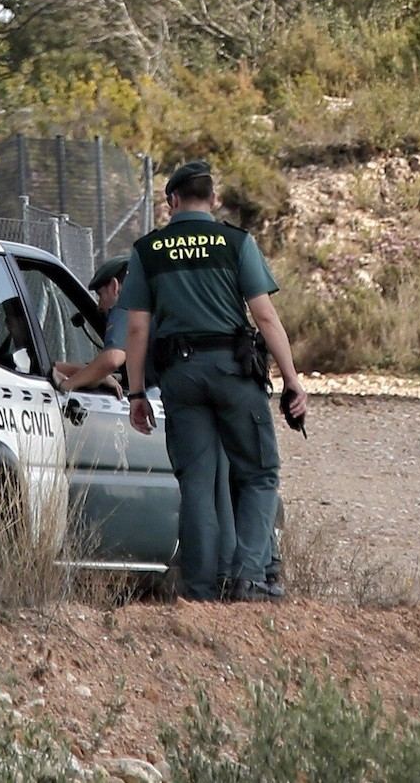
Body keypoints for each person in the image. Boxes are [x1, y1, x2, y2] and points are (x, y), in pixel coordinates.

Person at [123, 159, 306, 602]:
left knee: (198, 484)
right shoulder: (235, 242)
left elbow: (136, 330)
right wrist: (292, 380)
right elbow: (264, 315)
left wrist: (135, 393)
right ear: (214, 198)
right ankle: (248, 577)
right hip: (232, 372)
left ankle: (202, 591)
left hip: (180, 378)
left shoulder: (148, 250)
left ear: (171, 200)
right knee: (260, 474)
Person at [53, 256, 130, 393]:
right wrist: (98, 374)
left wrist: (67, 384)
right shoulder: (150, 309)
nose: (99, 306)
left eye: (100, 295)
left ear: (114, 286)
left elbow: (112, 359)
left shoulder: (124, 308)